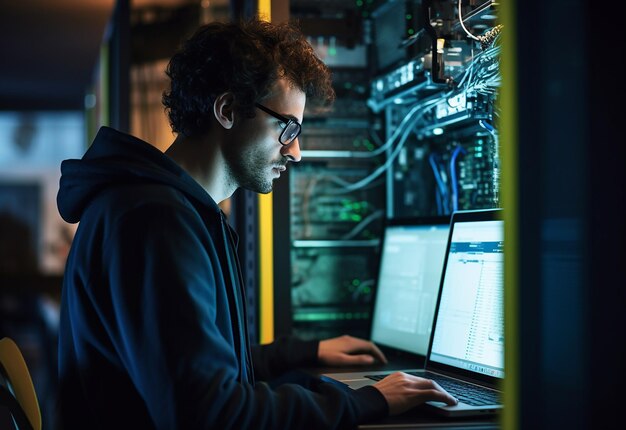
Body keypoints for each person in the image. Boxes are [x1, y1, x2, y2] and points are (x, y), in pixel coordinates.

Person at [56, 19, 456, 429]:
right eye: (288, 127)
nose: (296, 151)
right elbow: (211, 414)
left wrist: (303, 352)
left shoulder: (167, 210)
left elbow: (201, 365)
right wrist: (363, 402)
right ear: (228, 111)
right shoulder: (154, 221)